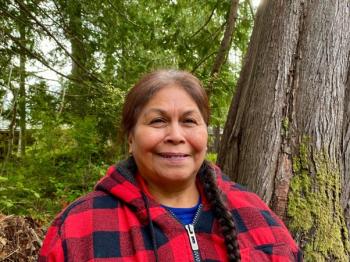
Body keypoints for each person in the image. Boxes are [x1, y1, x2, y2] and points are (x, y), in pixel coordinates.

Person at [39, 69, 301, 261]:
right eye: (158, 121)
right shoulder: (80, 227)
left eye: (189, 121)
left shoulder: (256, 216)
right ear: (131, 138)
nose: (176, 135)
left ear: (205, 134)